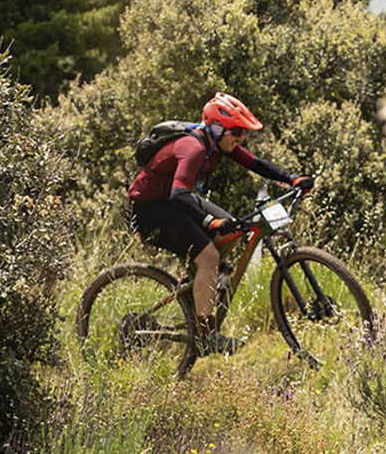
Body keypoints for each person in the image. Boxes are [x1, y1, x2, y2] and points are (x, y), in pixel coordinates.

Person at [128, 92, 314, 354]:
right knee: (208, 257)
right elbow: (179, 195)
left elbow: (255, 164)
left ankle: (193, 291)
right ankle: (207, 336)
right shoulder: (193, 147)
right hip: (149, 210)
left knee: (234, 229)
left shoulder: (217, 142)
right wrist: (209, 222)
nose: (241, 138)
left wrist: (291, 179)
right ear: (216, 128)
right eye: (236, 132)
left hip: (173, 201)